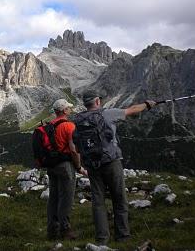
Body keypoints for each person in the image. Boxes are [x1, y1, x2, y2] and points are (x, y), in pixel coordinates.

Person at [73, 90, 156, 245]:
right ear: (97, 101)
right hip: (111, 162)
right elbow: (131, 110)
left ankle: (102, 240)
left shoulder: (78, 121)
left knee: (98, 202)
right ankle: (123, 236)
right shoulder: (107, 114)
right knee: (119, 199)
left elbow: (77, 148)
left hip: (92, 165)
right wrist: (147, 104)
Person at [46, 98, 87, 240]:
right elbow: (74, 150)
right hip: (65, 166)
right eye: (68, 108)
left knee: (53, 198)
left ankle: (52, 231)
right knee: (66, 198)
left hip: (51, 166)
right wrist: (79, 167)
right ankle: (65, 230)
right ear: (64, 110)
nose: (70, 110)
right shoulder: (69, 126)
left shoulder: (49, 125)